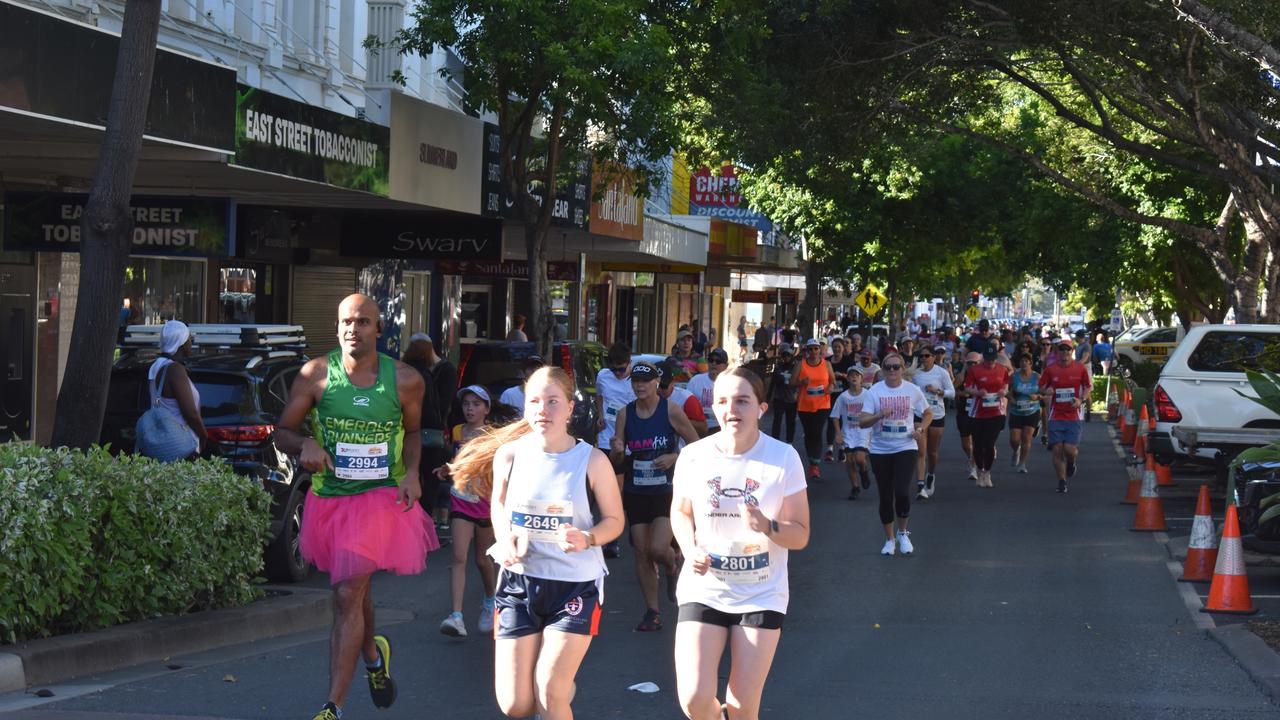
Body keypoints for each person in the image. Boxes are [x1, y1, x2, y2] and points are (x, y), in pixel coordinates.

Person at [275, 294, 436, 720]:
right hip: (330, 499)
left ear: (379, 330)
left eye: (363, 322)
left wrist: (413, 472)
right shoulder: (315, 375)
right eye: (347, 321)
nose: (353, 329)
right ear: (337, 327)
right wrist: (304, 442)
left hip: (380, 497)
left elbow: (415, 432)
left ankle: (333, 707)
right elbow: (282, 433)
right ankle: (372, 657)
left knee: (346, 591)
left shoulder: (405, 380)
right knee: (353, 588)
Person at [448, 366, 624, 720]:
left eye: (553, 401)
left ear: (570, 408)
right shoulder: (510, 455)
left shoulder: (592, 460)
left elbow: (615, 521)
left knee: (548, 689)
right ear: (525, 407)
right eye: (535, 401)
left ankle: (557, 692)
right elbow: (497, 504)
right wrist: (505, 535)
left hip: (575, 585)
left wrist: (588, 537)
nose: (543, 409)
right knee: (515, 705)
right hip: (519, 582)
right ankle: (561, 692)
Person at [670, 367, 810, 720]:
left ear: (762, 407)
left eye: (742, 401)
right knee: (694, 699)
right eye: (722, 401)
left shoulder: (782, 458)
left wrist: (768, 525)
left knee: (742, 706)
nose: (732, 409)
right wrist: (690, 550)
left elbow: (801, 534)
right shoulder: (694, 456)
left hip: (761, 592)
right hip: (705, 587)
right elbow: (681, 512)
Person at [611, 362, 701, 632]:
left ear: (656, 383)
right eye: (635, 381)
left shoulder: (671, 410)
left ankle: (673, 565)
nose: (639, 386)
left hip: (666, 490)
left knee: (657, 549)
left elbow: (696, 445)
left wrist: (674, 456)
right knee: (641, 552)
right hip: (637, 490)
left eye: (645, 381)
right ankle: (652, 611)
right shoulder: (625, 415)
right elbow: (617, 458)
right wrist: (617, 449)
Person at [438, 385, 498, 638]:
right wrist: (447, 469)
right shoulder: (457, 431)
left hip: (485, 502)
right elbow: (457, 462)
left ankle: (490, 601)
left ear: (486, 408)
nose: (470, 408)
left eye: (476, 404)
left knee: (482, 560)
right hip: (461, 499)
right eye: (466, 404)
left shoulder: (494, 436)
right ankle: (457, 616)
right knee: (458, 558)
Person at [858, 352, 931, 555]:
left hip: (905, 447)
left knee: (901, 491)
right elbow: (862, 421)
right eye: (888, 367)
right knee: (885, 495)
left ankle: (903, 532)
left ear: (902, 369)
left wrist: (921, 429)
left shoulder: (912, 390)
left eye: (896, 367)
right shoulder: (875, 391)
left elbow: (928, 413)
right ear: (882, 370)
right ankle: (889, 539)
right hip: (880, 449)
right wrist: (879, 414)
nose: (892, 371)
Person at [403, 333, 451, 531]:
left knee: (408, 475)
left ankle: (409, 520)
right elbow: (438, 405)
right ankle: (423, 523)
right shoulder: (427, 373)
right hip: (430, 433)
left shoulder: (403, 372)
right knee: (429, 480)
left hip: (407, 433)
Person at [143, 320, 207, 460]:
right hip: (181, 445)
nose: (191, 343)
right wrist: (203, 435)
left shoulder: (156, 366)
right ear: (182, 344)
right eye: (189, 339)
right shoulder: (175, 370)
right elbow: (190, 413)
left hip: (164, 442)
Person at [1039, 338, 1092, 493]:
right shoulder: (1051, 369)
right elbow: (1041, 386)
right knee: (1057, 449)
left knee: (1070, 449)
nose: (1064, 352)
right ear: (1057, 352)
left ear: (1072, 351)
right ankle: (1062, 481)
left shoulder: (1079, 368)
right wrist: (1046, 391)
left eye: (1067, 350)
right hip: (1056, 415)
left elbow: (1087, 387)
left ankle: (1072, 461)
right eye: (1061, 350)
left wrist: (1081, 400)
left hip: (1073, 415)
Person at [964, 346, 1011, 488]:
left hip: (996, 411)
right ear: (983, 358)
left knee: (989, 444)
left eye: (993, 360)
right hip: (978, 412)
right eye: (988, 359)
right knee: (978, 445)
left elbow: (1006, 384)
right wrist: (978, 392)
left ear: (996, 358)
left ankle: (987, 472)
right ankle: (980, 470)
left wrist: (1003, 391)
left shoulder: (1002, 370)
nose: (990, 362)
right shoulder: (975, 370)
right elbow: (967, 387)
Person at [911, 346, 954, 500]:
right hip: (919, 416)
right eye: (921, 356)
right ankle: (921, 486)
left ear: (933, 357)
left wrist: (938, 391)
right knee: (921, 452)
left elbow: (952, 392)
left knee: (932, 452)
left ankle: (931, 474)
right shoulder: (915, 374)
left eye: (927, 356)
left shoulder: (941, 373)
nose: (923, 359)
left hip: (937, 415)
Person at [792, 338, 836, 478]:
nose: (813, 352)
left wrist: (830, 388)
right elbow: (791, 383)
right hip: (805, 405)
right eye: (810, 349)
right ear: (806, 351)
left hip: (823, 404)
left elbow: (833, 382)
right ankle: (812, 462)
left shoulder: (827, 364)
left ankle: (815, 464)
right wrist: (801, 382)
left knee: (816, 431)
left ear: (820, 350)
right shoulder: (801, 364)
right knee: (809, 433)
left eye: (816, 348)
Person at [831, 366, 872, 500]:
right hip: (848, 432)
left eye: (857, 375)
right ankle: (855, 487)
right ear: (847, 379)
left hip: (863, 431)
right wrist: (838, 433)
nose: (854, 377)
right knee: (849, 461)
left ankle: (864, 470)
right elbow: (835, 416)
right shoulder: (843, 397)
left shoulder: (868, 395)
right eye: (851, 375)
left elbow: (875, 413)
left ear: (862, 379)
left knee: (859, 458)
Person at [1007, 353, 1041, 474]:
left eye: (1026, 361)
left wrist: (1037, 396)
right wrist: (1012, 400)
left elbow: (1044, 393)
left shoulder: (1037, 377)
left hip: (1032, 411)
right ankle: (1016, 450)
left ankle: (1022, 463)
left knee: (1026, 438)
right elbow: (1007, 392)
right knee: (1014, 440)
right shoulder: (1014, 376)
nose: (1024, 363)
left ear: (1031, 363)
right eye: (1022, 361)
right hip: (1016, 411)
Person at [687, 347, 730, 436]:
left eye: (718, 361)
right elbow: (687, 406)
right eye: (711, 360)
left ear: (726, 366)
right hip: (698, 428)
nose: (713, 363)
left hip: (722, 429)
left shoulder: (732, 383)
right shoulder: (695, 381)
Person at [826, 337, 854, 461]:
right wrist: (831, 377)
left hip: (844, 394)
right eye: (835, 346)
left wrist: (841, 375)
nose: (837, 349)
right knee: (831, 420)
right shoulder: (827, 361)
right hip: (830, 394)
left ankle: (842, 448)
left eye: (839, 346)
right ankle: (830, 449)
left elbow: (853, 377)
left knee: (843, 422)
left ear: (843, 348)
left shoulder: (848, 361)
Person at [767, 345, 798, 442]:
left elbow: (799, 383)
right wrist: (767, 399)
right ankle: (775, 441)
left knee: (791, 422)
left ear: (791, 356)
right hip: (779, 398)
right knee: (777, 421)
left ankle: (789, 442)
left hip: (792, 399)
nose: (786, 358)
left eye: (788, 355)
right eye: (784, 355)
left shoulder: (796, 368)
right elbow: (772, 383)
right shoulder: (778, 367)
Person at [1073, 331, 1093, 422]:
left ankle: (1088, 412)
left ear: (1079, 337)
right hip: (1078, 369)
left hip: (1085, 368)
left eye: (1076, 337)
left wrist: (1076, 365)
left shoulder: (1086, 346)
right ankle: (1080, 410)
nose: (1075, 339)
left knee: (1087, 391)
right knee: (1078, 389)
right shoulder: (1078, 346)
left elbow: (1085, 358)